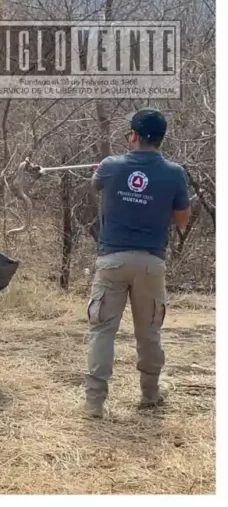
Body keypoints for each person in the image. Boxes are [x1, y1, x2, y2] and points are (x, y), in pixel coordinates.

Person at [85, 108, 192, 419]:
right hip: (150, 263)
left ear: (132, 135)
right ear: (160, 138)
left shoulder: (110, 166)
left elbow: (96, 184)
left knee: (103, 330)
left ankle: (94, 404)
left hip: (112, 261)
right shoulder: (174, 173)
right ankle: (150, 395)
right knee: (149, 332)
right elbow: (182, 220)